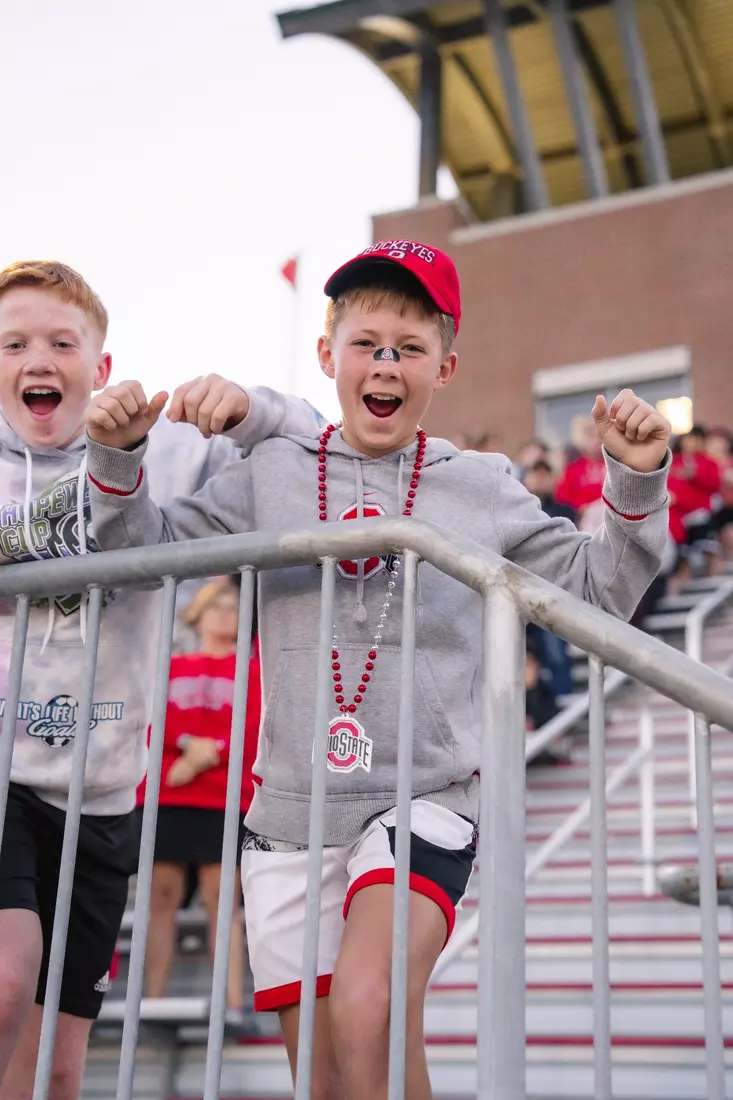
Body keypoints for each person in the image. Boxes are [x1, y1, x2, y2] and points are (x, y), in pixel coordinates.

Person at [84, 239, 671, 1100]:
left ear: (446, 365)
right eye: (365, 344)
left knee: (367, 1004)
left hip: (421, 796)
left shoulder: (480, 483)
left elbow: (598, 590)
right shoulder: (273, 470)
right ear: (328, 356)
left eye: (409, 347)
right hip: (287, 815)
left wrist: (636, 479)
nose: (385, 364)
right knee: (330, 1080)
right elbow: (139, 552)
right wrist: (120, 458)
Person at [0, 260, 322, 1099]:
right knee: (6, 975)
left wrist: (252, 410)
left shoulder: (168, 449)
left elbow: (308, 459)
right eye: (13, 343)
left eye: (61, 343)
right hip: (4, 769)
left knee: (58, 1069)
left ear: (99, 367)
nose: (38, 358)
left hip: (102, 790)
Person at [140, 579, 260, 1016]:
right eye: (217, 606)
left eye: (233, 606)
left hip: (225, 799)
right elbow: (154, 720)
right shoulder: (172, 667)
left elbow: (254, 726)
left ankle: (229, 1002)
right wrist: (191, 745)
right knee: (161, 899)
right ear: (199, 614)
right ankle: (150, 1000)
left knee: (221, 899)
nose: (225, 613)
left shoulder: (253, 670)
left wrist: (208, 753)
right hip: (169, 795)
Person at [523, 459, 578, 526]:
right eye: (536, 475)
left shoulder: (565, 512)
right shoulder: (520, 511)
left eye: (544, 475)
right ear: (527, 479)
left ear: (553, 480)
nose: (540, 479)